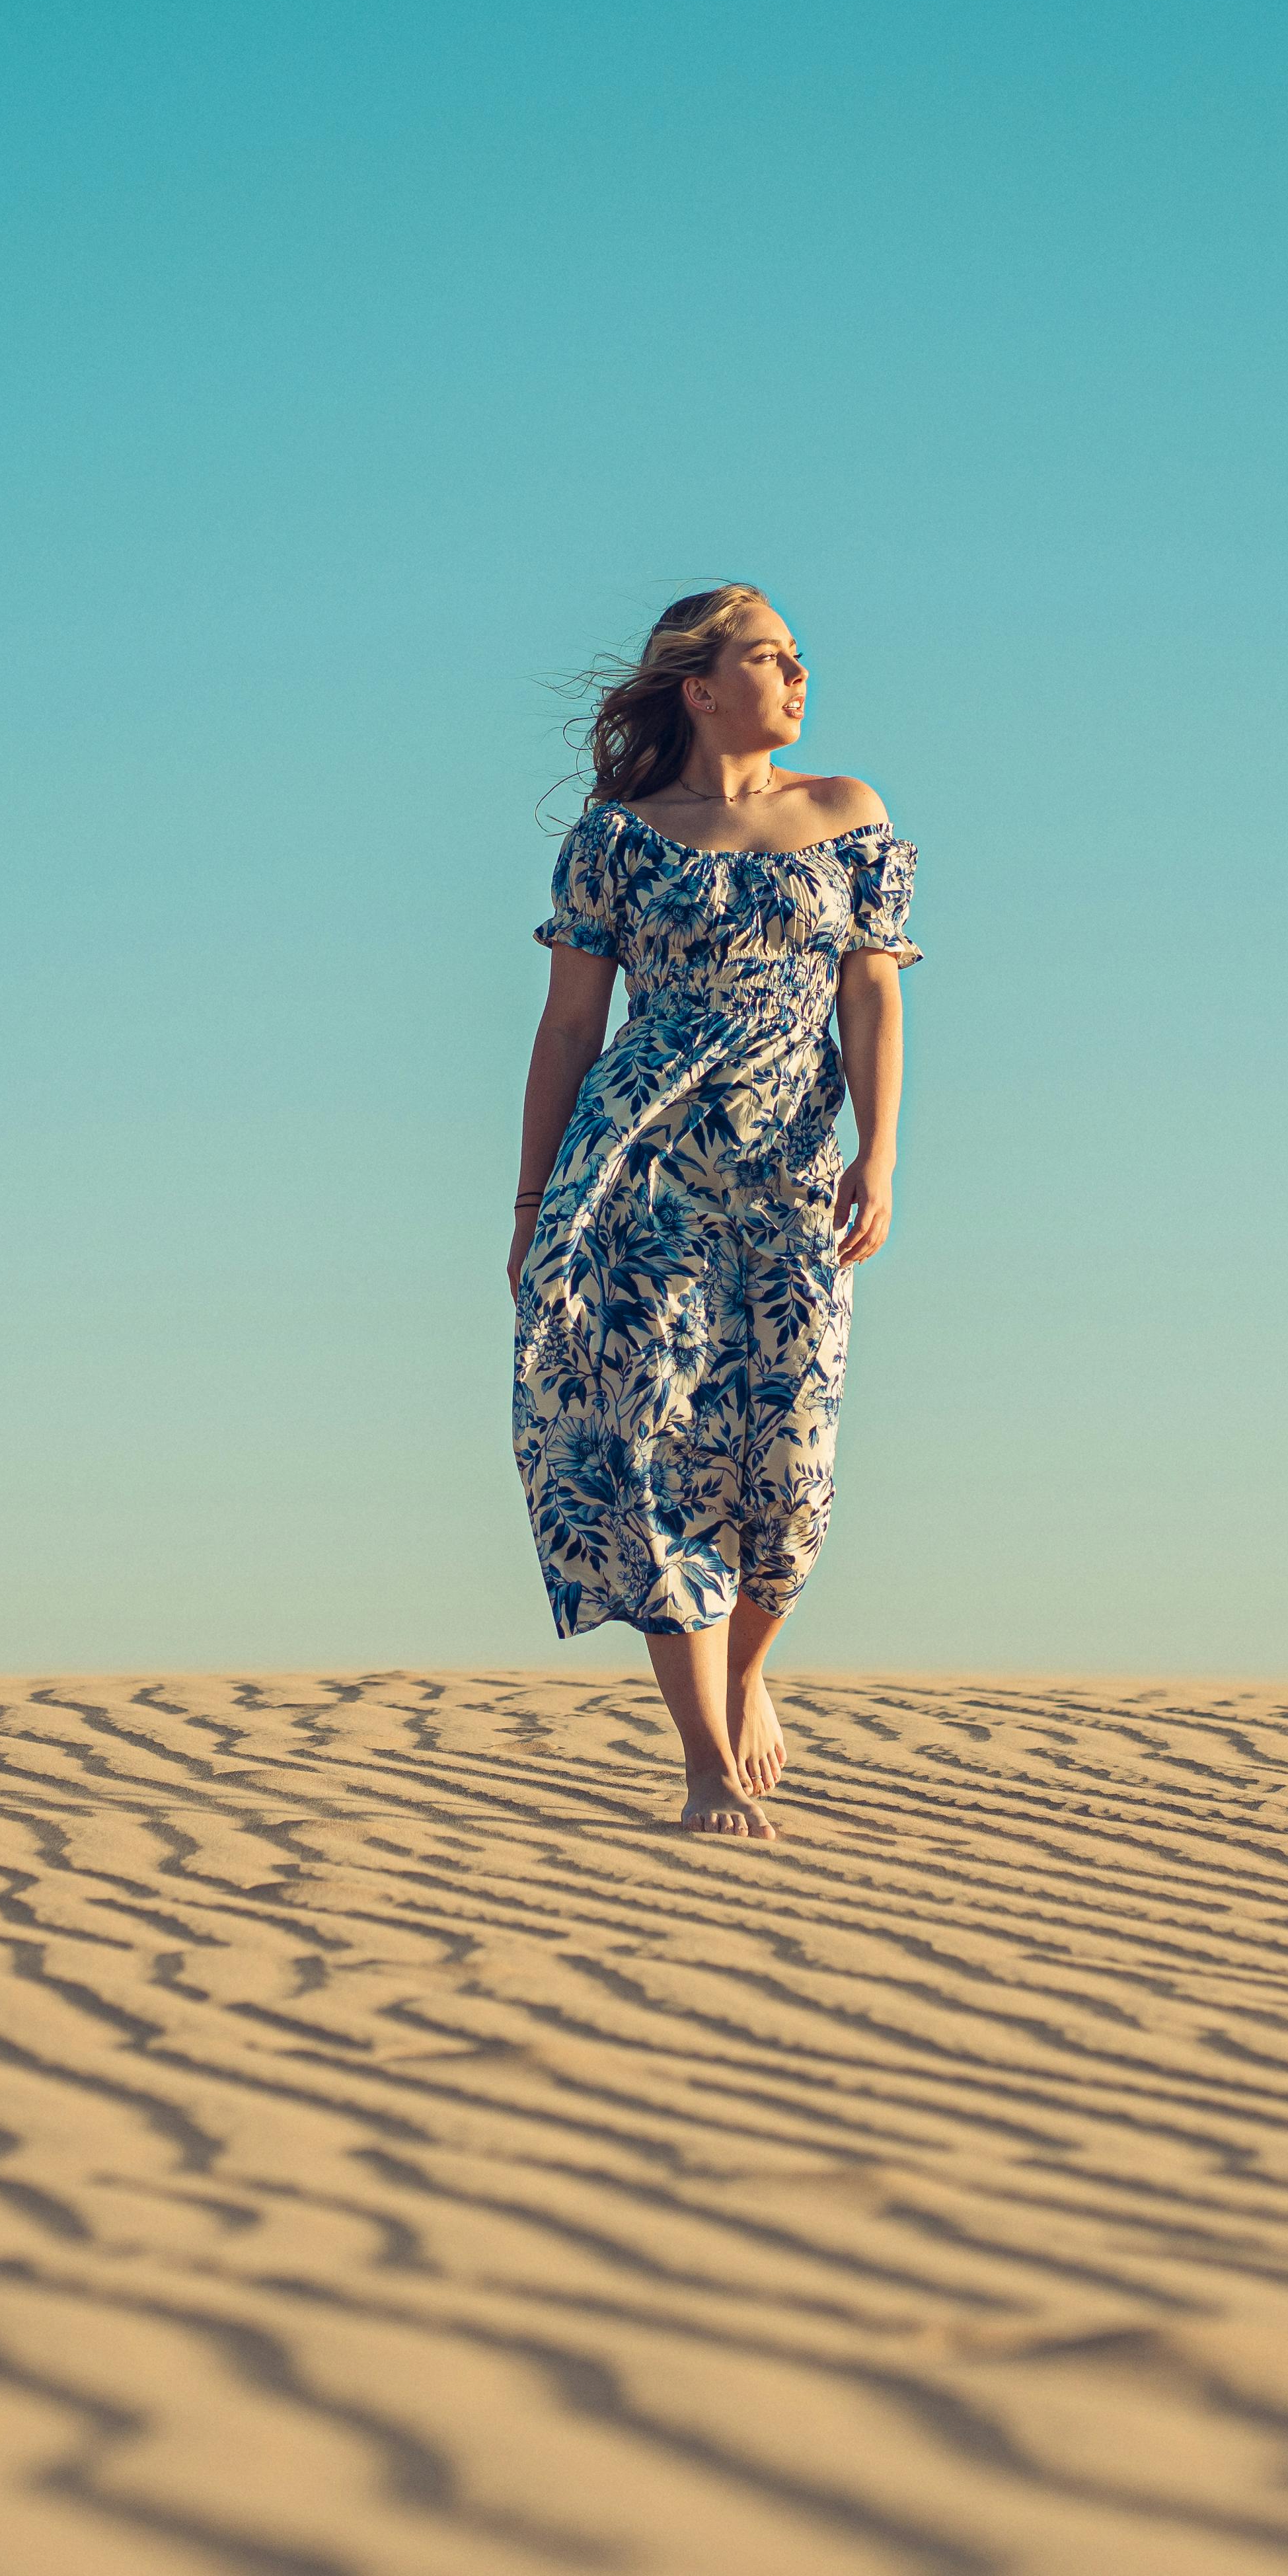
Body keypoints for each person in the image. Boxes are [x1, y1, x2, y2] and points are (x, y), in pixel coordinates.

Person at [508, 584, 915, 1842]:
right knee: (653, 1449)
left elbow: (873, 1001)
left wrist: (881, 1153)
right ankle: (703, 1766)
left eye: (798, 655)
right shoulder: (616, 840)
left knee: (790, 1470)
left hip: (793, 1176)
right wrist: (533, 1201)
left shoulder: (849, 816)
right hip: (640, 1175)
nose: (799, 674)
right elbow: (572, 1025)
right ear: (700, 686)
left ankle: (746, 1671)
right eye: (770, 657)